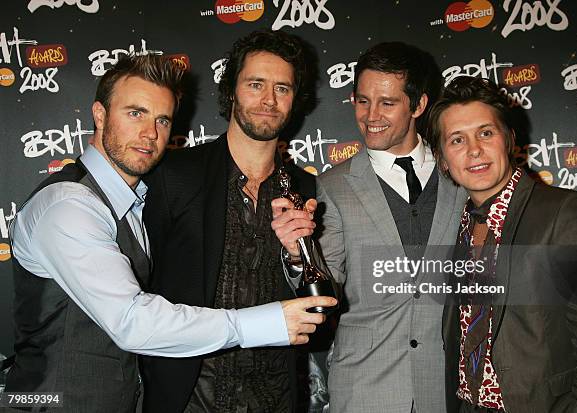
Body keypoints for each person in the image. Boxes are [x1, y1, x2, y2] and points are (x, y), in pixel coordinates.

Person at [6, 54, 334, 413]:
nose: (150, 133)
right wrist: (265, 322)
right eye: (135, 113)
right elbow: (133, 320)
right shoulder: (68, 205)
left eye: (162, 119)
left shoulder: (132, 201)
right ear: (99, 115)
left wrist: (297, 256)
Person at [272, 42, 467, 412]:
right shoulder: (334, 184)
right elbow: (327, 290)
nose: (371, 115)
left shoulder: (459, 175)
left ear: (419, 105)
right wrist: (300, 257)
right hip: (364, 387)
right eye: (362, 101)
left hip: (447, 385)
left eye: (387, 103)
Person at [140, 30, 326, 413]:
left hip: (274, 396)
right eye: (256, 84)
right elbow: (138, 288)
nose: (269, 101)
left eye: (283, 88)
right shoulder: (175, 175)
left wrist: (297, 260)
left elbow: (319, 310)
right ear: (232, 91)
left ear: (296, 100)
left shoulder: (304, 187)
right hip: (189, 396)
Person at [427, 75, 577, 412]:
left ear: (509, 138)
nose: (474, 150)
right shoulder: (462, 225)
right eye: (456, 140)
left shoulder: (566, 213)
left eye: (485, 132)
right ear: (442, 159)